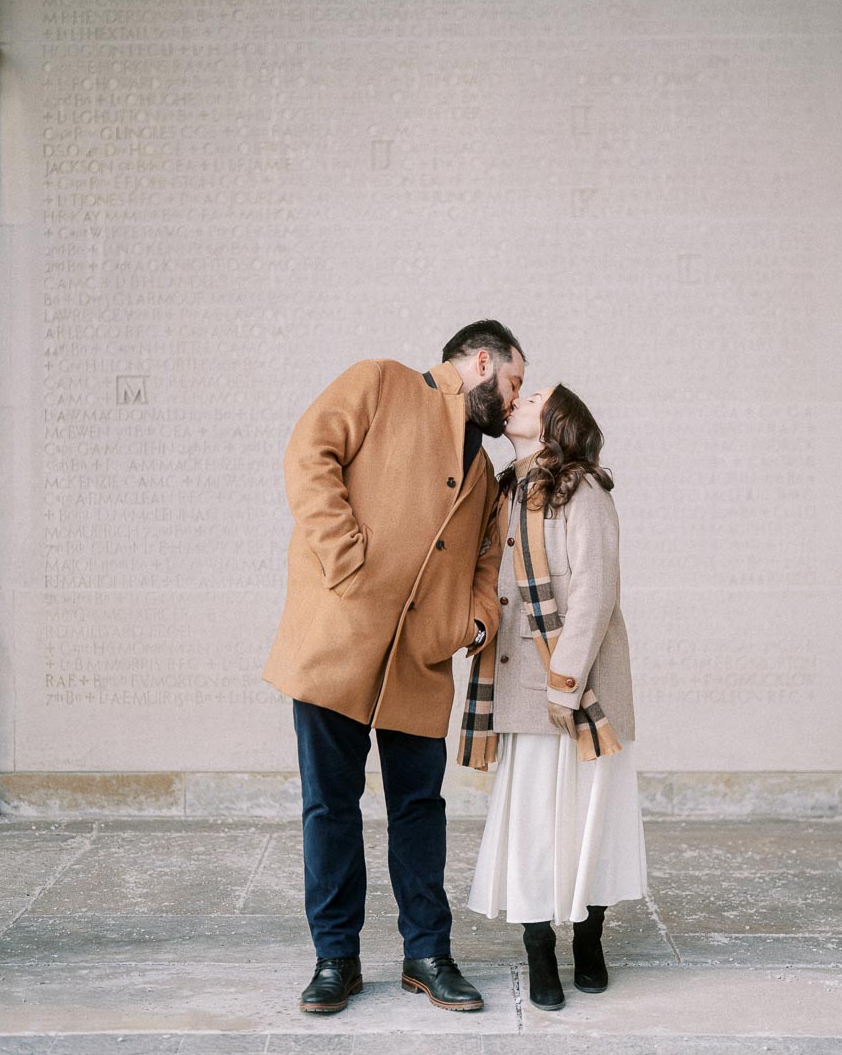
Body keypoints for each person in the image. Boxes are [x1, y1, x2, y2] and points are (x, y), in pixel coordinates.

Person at [262, 321, 525, 1014]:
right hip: (337, 640)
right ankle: (334, 960)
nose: (516, 398)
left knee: (419, 808)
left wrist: (472, 619)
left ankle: (428, 955)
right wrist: (345, 558)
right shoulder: (379, 382)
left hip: (420, 658)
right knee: (329, 806)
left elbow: (488, 560)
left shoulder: (486, 474)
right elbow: (307, 453)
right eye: (515, 381)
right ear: (480, 362)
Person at [460, 385, 647, 1011]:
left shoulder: (582, 490)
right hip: (517, 685)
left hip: (580, 688)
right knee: (532, 828)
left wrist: (565, 683)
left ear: (557, 420)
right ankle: (539, 949)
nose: (516, 401)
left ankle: (588, 939)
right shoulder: (503, 489)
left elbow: (595, 592)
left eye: (533, 396)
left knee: (589, 821)